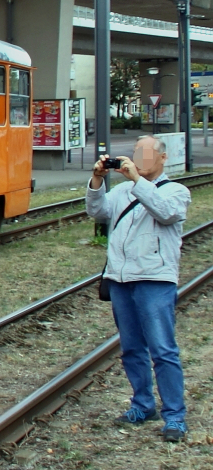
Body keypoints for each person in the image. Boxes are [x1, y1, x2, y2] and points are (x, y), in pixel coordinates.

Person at [87, 135, 192, 442]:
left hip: (155, 280)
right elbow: (98, 212)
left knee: (163, 349)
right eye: (136, 153)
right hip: (121, 280)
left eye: (145, 154)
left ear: (163, 158)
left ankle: (174, 415)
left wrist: (137, 182)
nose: (138, 159)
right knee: (131, 348)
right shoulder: (121, 191)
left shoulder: (177, 191)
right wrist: (96, 180)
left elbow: (166, 213)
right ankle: (143, 404)